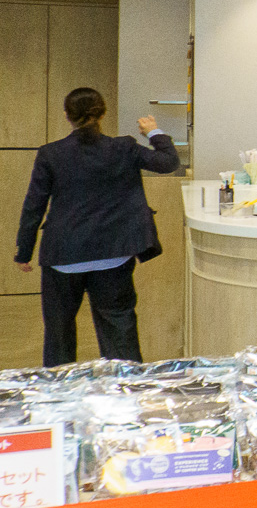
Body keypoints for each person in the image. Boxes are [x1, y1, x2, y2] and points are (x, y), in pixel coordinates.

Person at [14, 88, 180, 365]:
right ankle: (126, 386)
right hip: (113, 255)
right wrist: (153, 131)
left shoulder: (50, 154)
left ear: (67, 115)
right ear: (102, 114)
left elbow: (34, 205)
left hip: (63, 256)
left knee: (59, 333)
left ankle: (59, 387)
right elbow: (168, 163)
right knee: (120, 330)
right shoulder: (124, 148)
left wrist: (24, 251)